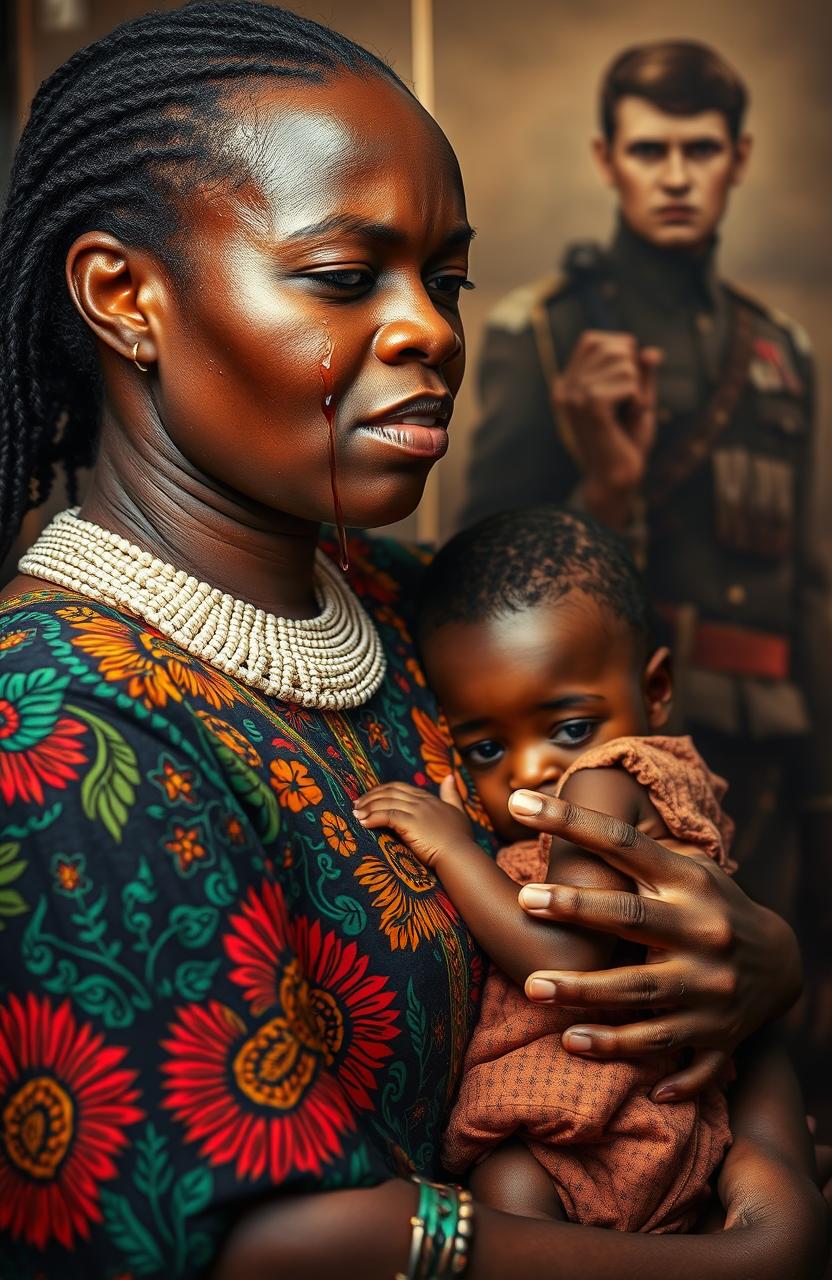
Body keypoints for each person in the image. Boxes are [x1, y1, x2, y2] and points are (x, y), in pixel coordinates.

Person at [0, 6, 824, 1279]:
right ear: (124, 296)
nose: (429, 330)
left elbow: (673, 901)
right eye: (345, 277)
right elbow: (273, 1241)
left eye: (443, 281)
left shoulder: (415, 601)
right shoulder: (53, 726)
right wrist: (749, 1257)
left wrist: (758, 992)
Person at [459, 44, 832, 994]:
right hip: (610, 740)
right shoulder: (542, 330)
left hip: (769, 742)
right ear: (607, 157)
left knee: (761, 1013)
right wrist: (605, 490)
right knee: (621, 995)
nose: (675, 176)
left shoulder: (781, 348)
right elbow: (487, 571)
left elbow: (802, 582)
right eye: (651, 150)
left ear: (739, 158)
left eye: (699, 151)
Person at [357, 506, 737, 1233]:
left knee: (507, 1203)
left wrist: (454, 851)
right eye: (486, 750)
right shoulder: (660, 780)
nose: (532, 768)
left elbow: (567, 955)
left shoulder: (603, 781)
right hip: (627, 1119)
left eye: (568, 728)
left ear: (655, 691)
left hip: (613, 1120)